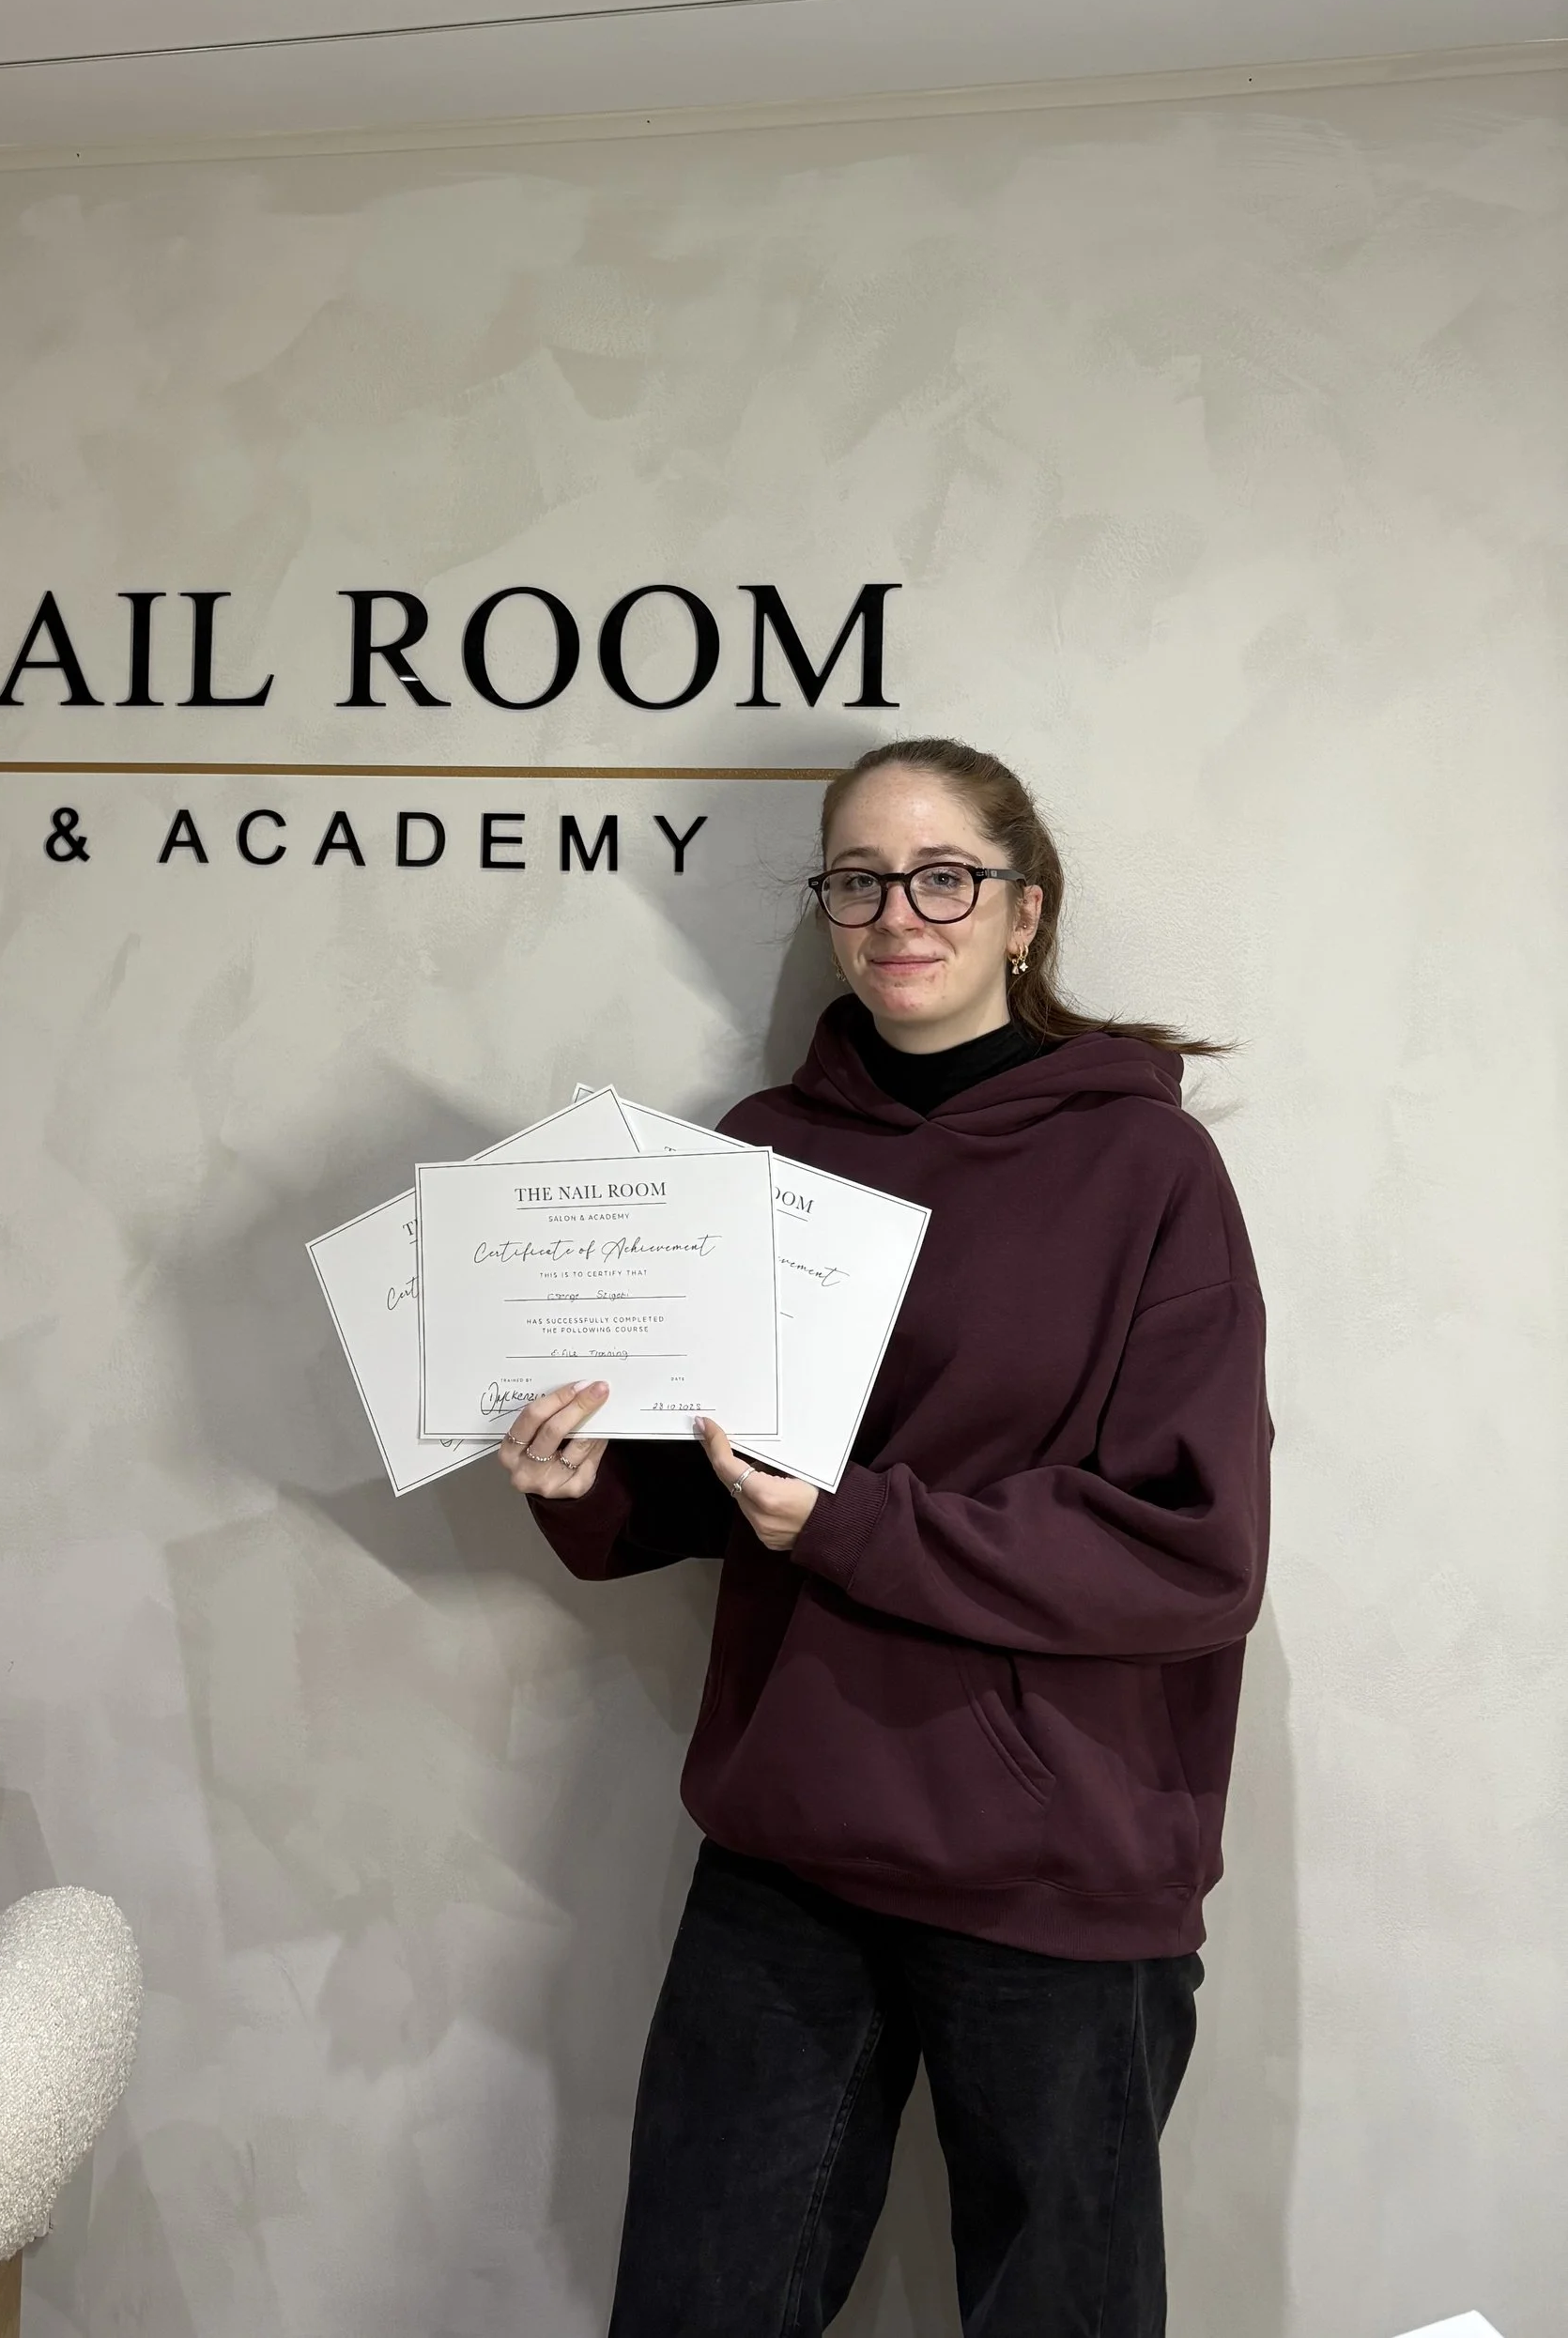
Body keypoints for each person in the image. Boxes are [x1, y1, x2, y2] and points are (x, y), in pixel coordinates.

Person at [503, 737, 1270, 2338]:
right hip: (789, 1850)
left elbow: (1194, 1554)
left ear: (1022, 914)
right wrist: (582, 1483)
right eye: (857, 878)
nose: (897, 911)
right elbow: (709, 1480)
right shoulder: (759, 1146)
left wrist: (858, 1527)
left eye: (944, 877)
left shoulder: (1148, 1169)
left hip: (1058, 1876)